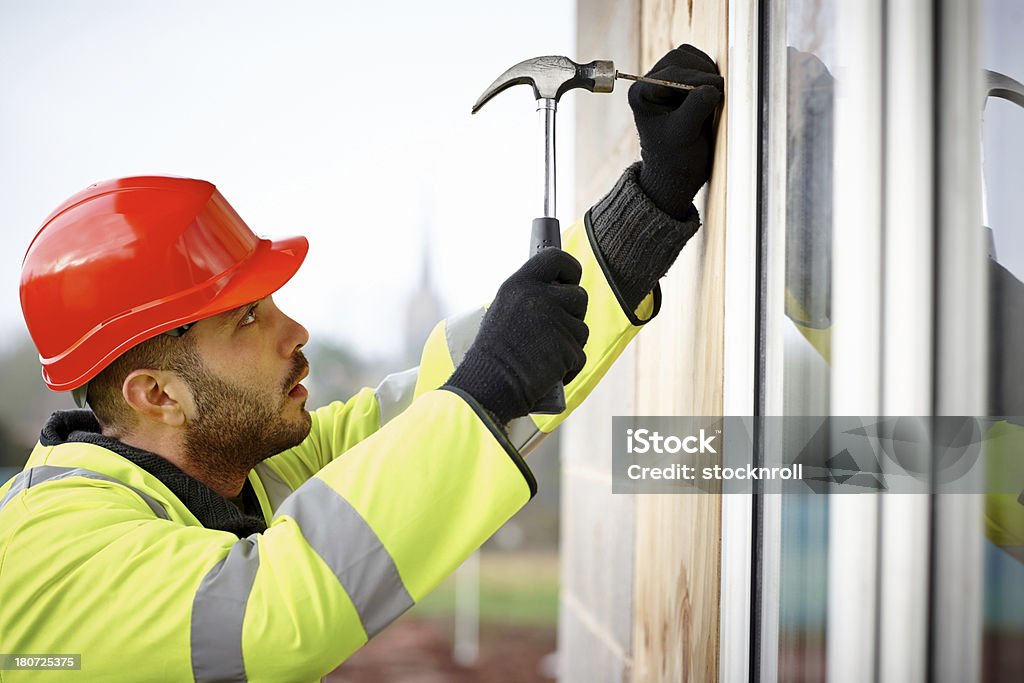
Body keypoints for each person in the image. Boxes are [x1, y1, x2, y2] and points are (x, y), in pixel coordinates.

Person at [0, 45, 723, 681]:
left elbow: (432, 409)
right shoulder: (48, 552)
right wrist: (488, 382)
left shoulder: (239, 464)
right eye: (248, 317)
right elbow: (269, 616)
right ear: (158, 393)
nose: (295, 329)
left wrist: (645, 211)